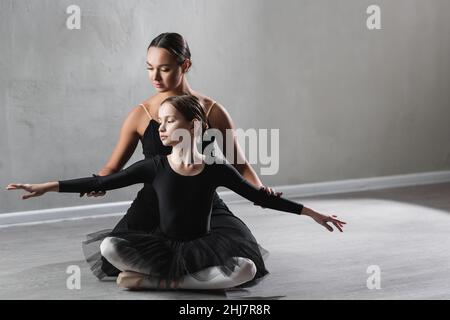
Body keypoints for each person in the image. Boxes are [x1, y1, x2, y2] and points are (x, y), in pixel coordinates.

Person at [6, 95, 346, 291]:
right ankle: (182, 280)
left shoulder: (214, 168)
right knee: (110, 245)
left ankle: (161, 284)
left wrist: (311, 213)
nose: (161, 128)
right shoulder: (154, 165)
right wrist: (49, 186)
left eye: (169, 121)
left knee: (247, 270)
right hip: (164, 244)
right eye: (160, 122)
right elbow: (101, 183)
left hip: (206, 246)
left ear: (194, 126)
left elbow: (260, 198)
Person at [76, 32, 285, 284]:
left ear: (184, 65)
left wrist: (260, 192)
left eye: (164, 68)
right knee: (113, 251)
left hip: (203, 203)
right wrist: (99, 182)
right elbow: (112, 166)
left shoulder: (212, 110)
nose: (155, 77)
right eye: (150, 68)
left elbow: (239, 164)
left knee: (239, 249)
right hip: (153, 205)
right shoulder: (140, 114)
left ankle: (159, 279)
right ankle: (196, 278)